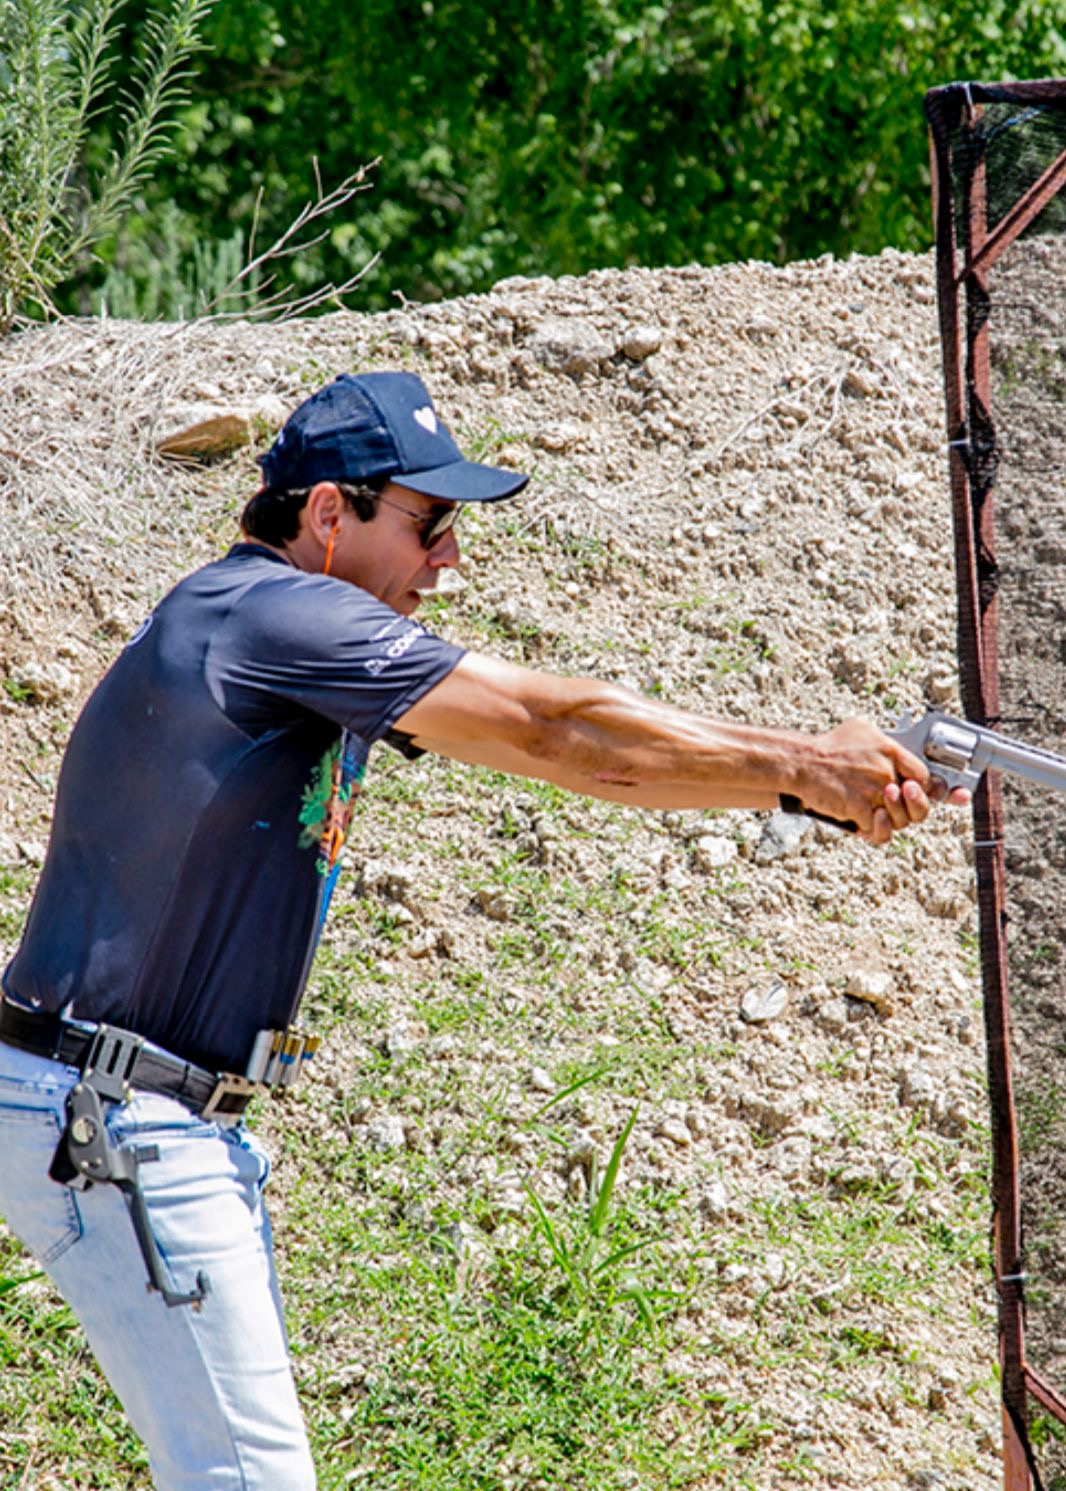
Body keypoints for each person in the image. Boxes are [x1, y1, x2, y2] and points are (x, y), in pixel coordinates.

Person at [0, 371, 966, 1489]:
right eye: (429, 523)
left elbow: (585, 764)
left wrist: (802, 784)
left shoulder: (252, 620)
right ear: (329, 513)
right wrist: (802, 762)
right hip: (117, 1113)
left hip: (123, 1102)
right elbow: (550, 728)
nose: (449, 558)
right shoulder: (276, 613)